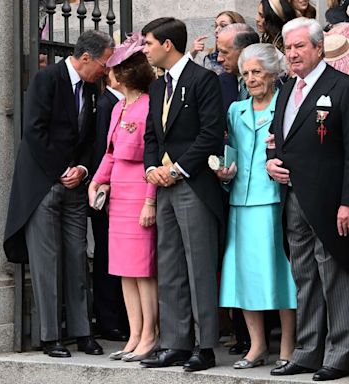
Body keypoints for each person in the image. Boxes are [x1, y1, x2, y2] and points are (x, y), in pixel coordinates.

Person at [4, 30, 114, 357]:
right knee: (47, 262)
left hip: (75, 186)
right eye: (104, 64)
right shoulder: (46, 79)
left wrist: (81, 169)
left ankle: (83, 332)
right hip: (43, 185)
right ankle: (50, 336)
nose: (106, 71)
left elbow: (91, 136)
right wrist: (61, 170)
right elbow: (34, 131)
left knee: (77, 257)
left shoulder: (93, 88)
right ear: (84, 58)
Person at [266, 18, 349, 380]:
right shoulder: (285, 88)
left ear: (318, 48)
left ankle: (338, 354)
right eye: (288, 48)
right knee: (303, 274)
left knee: (334, 274)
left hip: (330, 201)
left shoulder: (344, 87)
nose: (292, 54)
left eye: (299, 47)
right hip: (292, 197)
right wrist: (270, 164)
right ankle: (307, 351)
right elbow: (281, 141)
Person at [139, 17, 225, 372]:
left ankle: (204, 346)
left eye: (148, 44)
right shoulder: (158, 87)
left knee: (199, 266)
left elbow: (211, 132)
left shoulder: (203, 80)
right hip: (163, 187)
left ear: (167, 45)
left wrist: (176, 170)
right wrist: (151, 170)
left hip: (192, 185)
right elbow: (151, 137)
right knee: (170, 265)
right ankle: (174, 342)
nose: (145, 50)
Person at [216, 43, 297, 370]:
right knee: (244, 275)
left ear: (273, 74)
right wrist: (224, 171)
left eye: (257, 72)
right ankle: (257, 345)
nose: (250, 79)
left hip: (274, 198)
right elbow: (231, 151)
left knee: (280, 273)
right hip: (240, 199)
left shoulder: (287, 105)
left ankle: (288, 345)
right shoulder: (236, 110)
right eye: (246, 73)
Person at [88, 33, 159, 362]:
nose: (109, 73)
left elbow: (152, 159)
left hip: (139, 192)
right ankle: (133, 334)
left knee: (143, 271)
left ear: (125, 73)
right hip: (118, 194)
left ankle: (151, 334)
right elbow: (111, 153)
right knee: (124, 270)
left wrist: (150, 201)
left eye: (113, 68)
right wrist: (97, 181)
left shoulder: (148, 106)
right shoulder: (118, 107)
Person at [90, 74, 129, 343]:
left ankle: (121, 318)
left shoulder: (124, 104)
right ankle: (109, 320)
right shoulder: (107, 105)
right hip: (107, 190)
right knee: (106, 256)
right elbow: (103, 150)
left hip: (125, 192)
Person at [217, 24, 260, 111]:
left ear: (244, 51)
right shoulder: (220, 82)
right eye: (219, 51)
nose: (219, 58)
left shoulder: (268, 82)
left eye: (224, 52)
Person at [188, 10, 246, 75]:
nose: (216, 30)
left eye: (223, 26)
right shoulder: (208, 58)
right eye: (216, 26)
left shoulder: (246, 57)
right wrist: (191, 54)